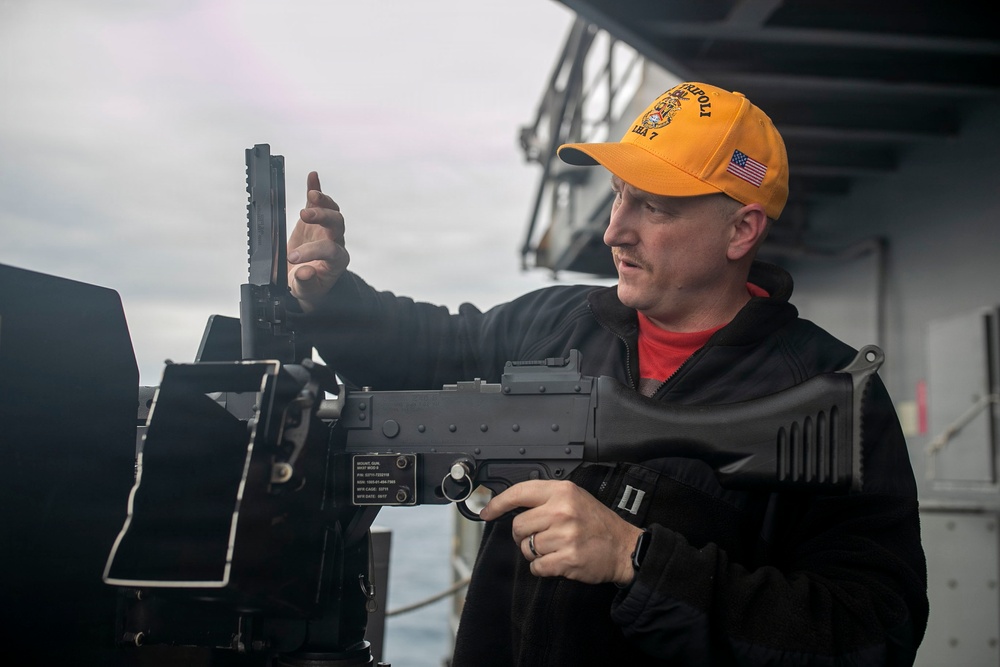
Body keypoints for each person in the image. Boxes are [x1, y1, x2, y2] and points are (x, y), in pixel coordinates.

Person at [286, 82, 928, 666]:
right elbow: (429, 345)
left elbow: (870, 633)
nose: (614, 231)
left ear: (741, 229)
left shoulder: (830, 396)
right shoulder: (559, 319)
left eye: (653, 207)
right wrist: (334, 297)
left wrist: (636, 559)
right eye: (619, 195)